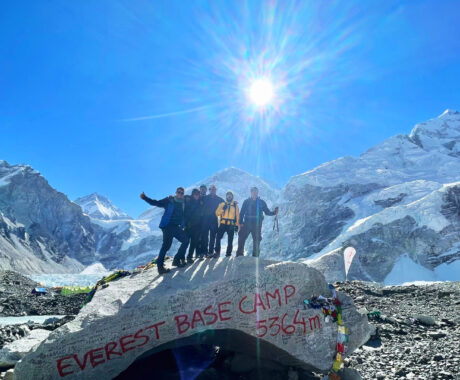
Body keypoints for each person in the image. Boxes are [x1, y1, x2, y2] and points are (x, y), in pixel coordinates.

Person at [140, 187, 188, 274]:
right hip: (167, 226)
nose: (180, 194)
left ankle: (176, 260)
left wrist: (183, 225)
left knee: (185, 241)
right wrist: (145, 198)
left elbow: (182, 215)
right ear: (176, 192)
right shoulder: (169, 200)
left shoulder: (183, 203)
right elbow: (156, 203)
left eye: (182, 193)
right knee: (166, 246)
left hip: (176, 227)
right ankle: (160, 267)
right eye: (179, 192)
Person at [236, 187, 279, 257]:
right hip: (246, 223)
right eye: (253, 192)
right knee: (241, 237)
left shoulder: (262, 202)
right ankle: (239, 255)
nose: (255, 193)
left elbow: (267, 212)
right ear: (251, 192)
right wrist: (240, 223)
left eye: (256, 192)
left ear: (257, 192)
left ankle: (255, 257)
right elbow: (242, 213)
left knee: (257, 240)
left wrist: (274, 212)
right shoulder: (246, 201)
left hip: (257, 224)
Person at [201, 184, 224, 258]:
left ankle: (210, 252)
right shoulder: (205, 198)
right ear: (209, 190)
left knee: (212, 236)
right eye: (211, 189)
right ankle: (205, 252)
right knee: (205, 236)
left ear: (216, 190)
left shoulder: (219, 198)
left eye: (214, 189)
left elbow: (225, 204)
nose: (213, 190)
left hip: (214, 219)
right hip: (205, 219)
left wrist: (233, 203)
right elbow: (197, 201)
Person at [214, 191, 239, 257]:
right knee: (218, 237)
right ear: (226, 196)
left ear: (232, 196)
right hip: (223, 223)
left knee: (230, 240)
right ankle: (217, 252)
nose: (229, 196)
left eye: (230, 195)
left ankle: (228, 254)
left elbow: (237, 216)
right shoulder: (222, 204)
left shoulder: (235, 205)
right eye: (228, 195)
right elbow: (217, 213)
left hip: (231, 224)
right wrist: (223, 209)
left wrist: (236, 225)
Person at [184, 188, 202, 264]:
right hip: (189, 226)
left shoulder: (200, 202)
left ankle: (189, 257)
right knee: (185, 242)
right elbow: (185, 213)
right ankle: (179, 258)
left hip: (197, 226)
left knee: (193, 243)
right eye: (195, 194)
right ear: (192, 194)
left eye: (198, 194)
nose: (197, 195)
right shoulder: (188, 201)